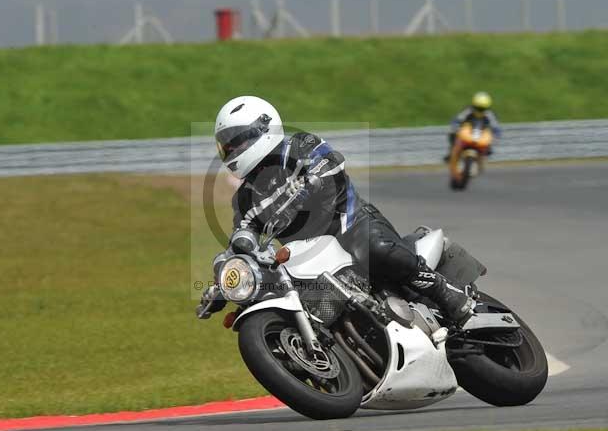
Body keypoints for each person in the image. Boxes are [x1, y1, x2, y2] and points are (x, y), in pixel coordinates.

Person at [200, 95, 474, 325]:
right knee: (288, 295)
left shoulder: (300, 145)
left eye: (238, 141)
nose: (232, 150)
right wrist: (223, 281)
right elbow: (243, 234)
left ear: (264, 127)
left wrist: (310, 184)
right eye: (227, 146)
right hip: (309, 257)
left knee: (376, 247)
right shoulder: (245, 198)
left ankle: (444, 291)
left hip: (351, 226)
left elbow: (331, 162)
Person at [444, 92, 502, 162]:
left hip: (482, 134)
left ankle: (485, 152)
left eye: (482, 109)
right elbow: (457, 119)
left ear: (487, 107)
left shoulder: (490, 114)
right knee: (452, 133)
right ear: (474, 105)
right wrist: (456, 129)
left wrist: (494, 138)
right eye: (478, 108)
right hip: (467, 132)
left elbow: (496, 127)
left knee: (489, 149)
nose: (480, 110)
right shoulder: (468, 110)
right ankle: (452, 152)